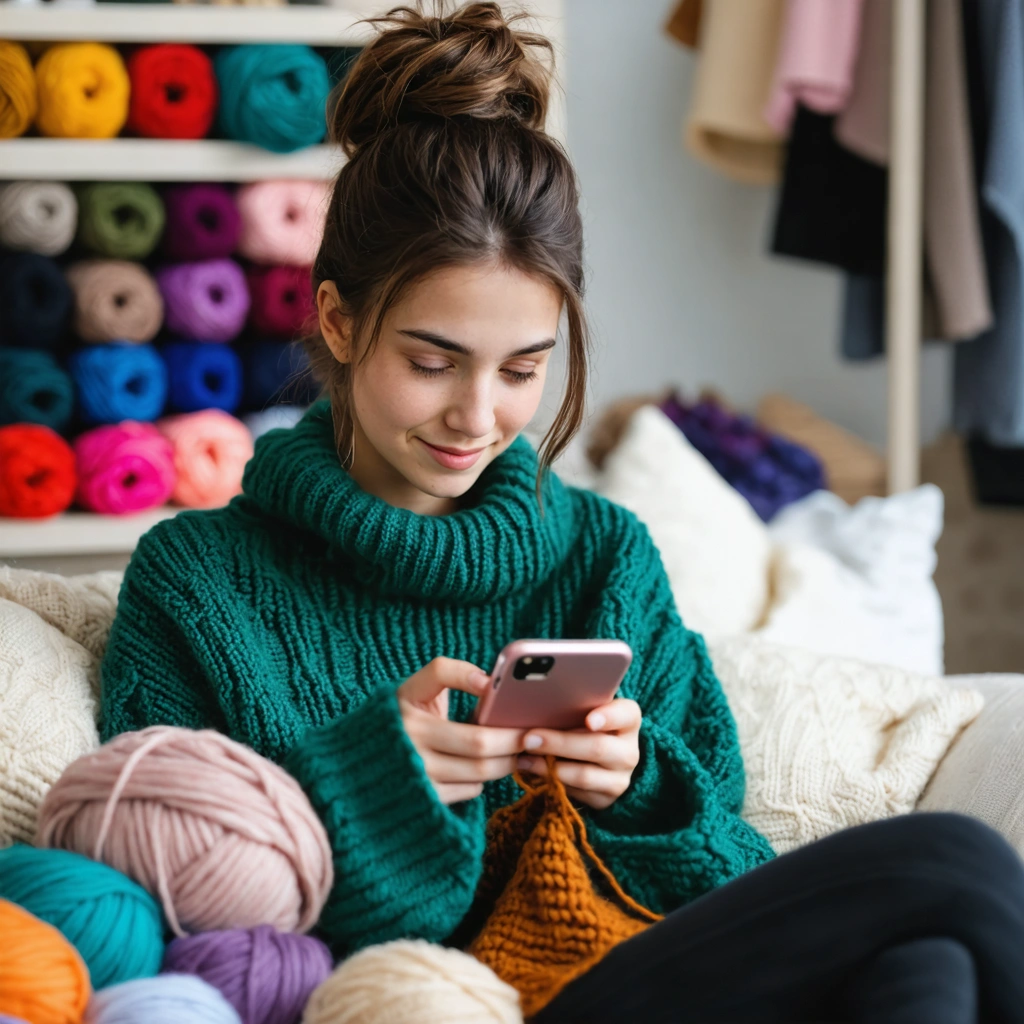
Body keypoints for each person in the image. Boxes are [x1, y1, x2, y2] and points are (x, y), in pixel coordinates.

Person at [99, 4, 1024, 1020]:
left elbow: (733, 876)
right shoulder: (197, 587)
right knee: (954, 865)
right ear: (338, 319)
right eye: (432, 362)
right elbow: (163, 922)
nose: (477, 415)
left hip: (656, 981)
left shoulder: (606, 556)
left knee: (929, 969)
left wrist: (636, 785)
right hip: (439, 1004)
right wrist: (369, 784)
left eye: (522, 369)